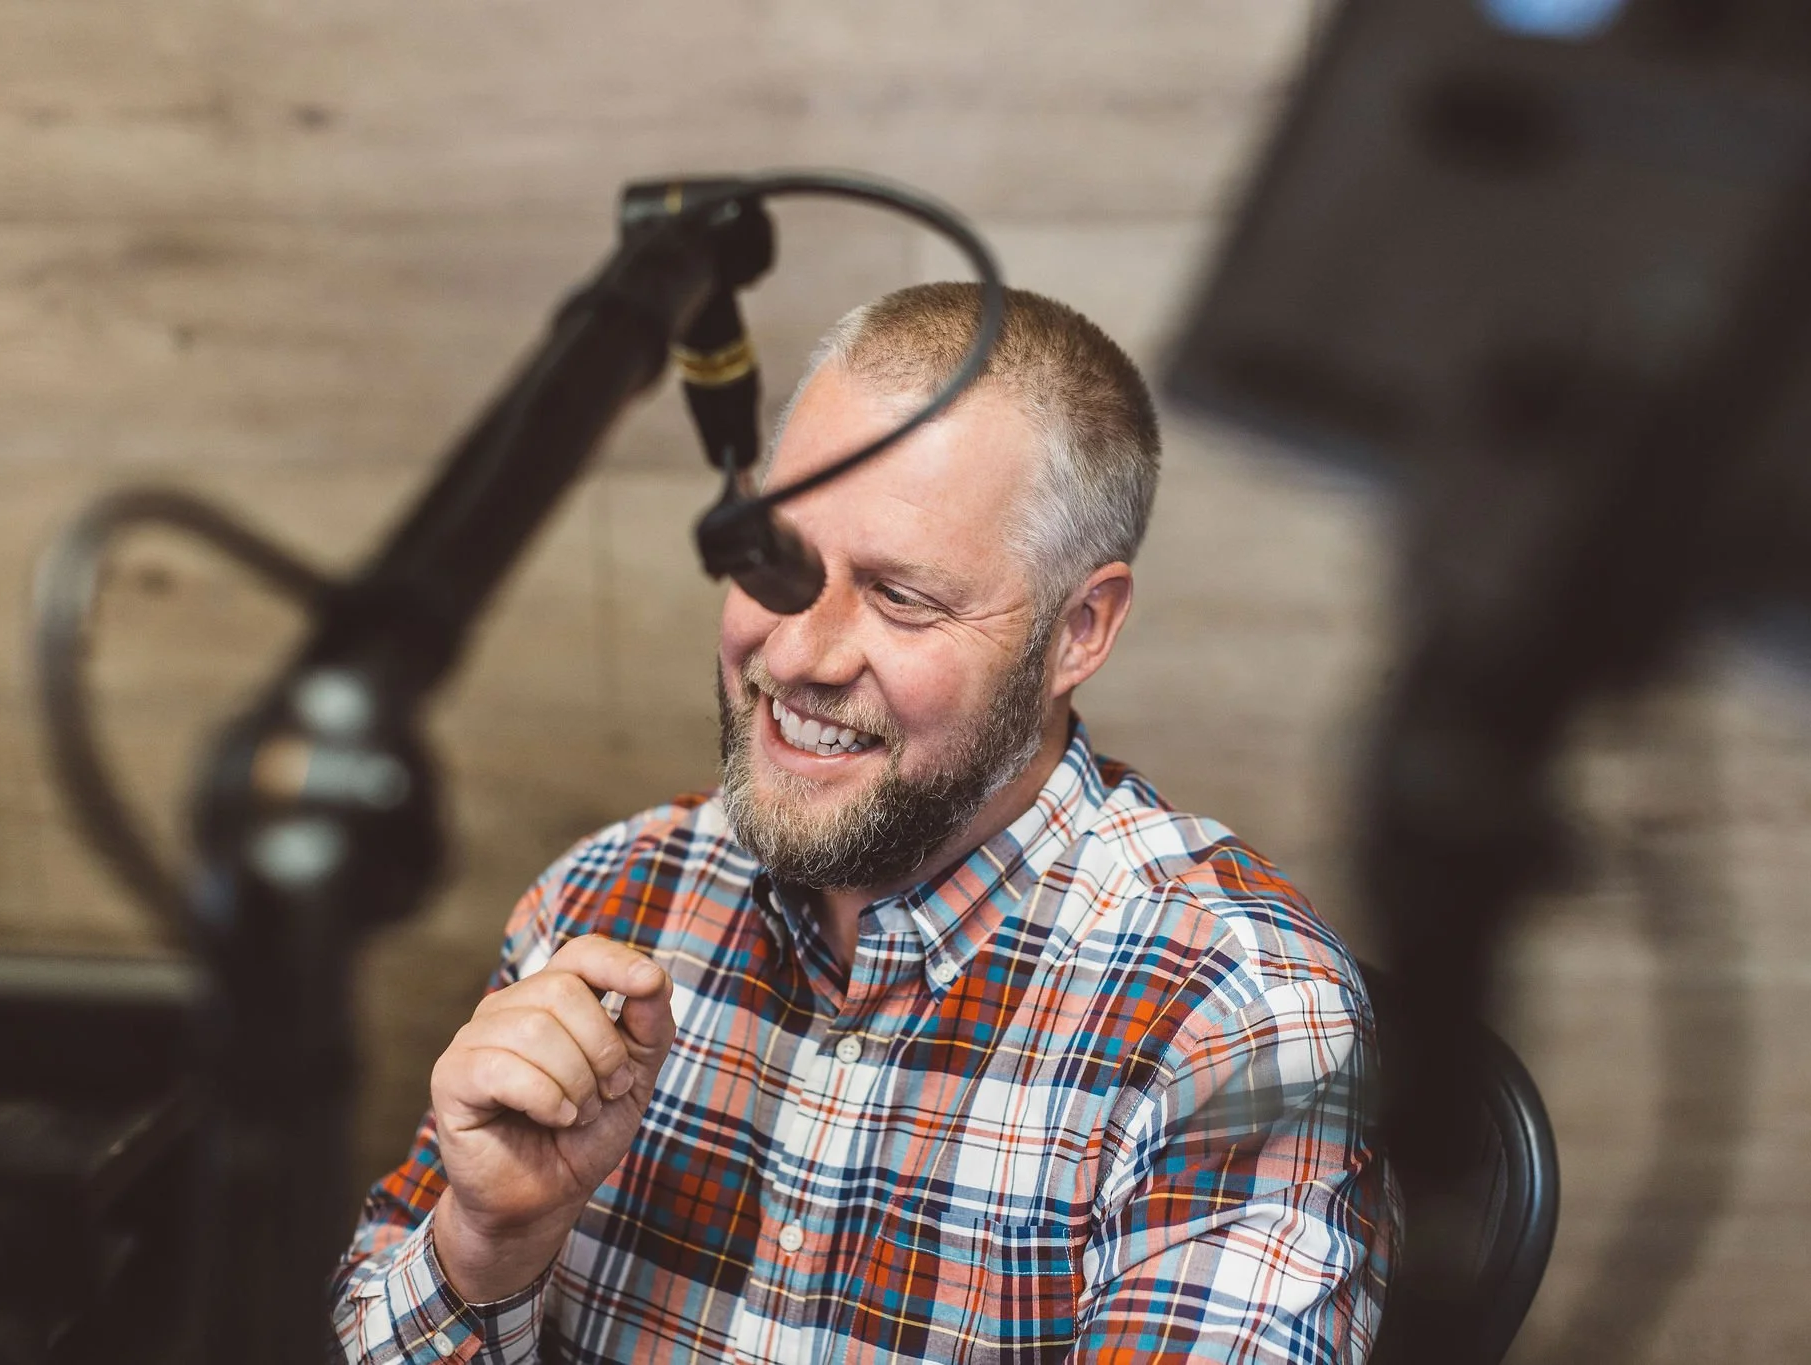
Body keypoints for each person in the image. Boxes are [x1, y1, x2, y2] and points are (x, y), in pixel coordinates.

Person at [330, 284, 1397, 1363]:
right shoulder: (606, 896)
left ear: (1079, 629)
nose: (795, 655)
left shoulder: (1230, 1019)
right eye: (776, 561)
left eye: (902, 599)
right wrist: (483, 1246)